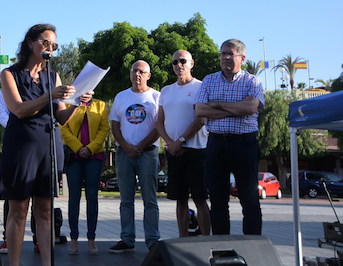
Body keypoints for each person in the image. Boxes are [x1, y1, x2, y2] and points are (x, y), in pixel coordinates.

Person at [0, 24, 90, 266]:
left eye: (54, 45)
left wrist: (77, 103)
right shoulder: (9, 74)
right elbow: (18, 109)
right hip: (21, 146)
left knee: (45, 210)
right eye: (45, 42)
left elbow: (62, 117)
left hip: (49, 145)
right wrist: (51, 96)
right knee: (18, 210)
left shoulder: (53, 76)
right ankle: (14, 264)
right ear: (30, 42)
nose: (50, 48)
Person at [195, 39, 264, 235]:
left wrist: (216, 104)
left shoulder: (252, 81)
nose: (225, 57)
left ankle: (252, 244)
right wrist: (237, 108)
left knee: (249, 199)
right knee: (218, 200)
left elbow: (250, 108)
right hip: (216, 142)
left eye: (230, 54)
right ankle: (221, 244)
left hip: (244, 144)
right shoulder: (209, 80)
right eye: (223, 53)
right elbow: (200, 110)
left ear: (242, 58)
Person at [156, 50, 210, 237]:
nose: (178, 65)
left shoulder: (201, 87)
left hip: (196, 151)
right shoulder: (166, 91)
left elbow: (201, 119)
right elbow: (159, 122)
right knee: (180, 199)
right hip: (174, 152)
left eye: (182, 61)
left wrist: (181, 141)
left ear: (191, 63)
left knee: (200, 199)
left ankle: (205, 239)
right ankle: (183, 238)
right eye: (175, 62)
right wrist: (169, 143)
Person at [109, 60, 160, 252]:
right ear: (130, 74)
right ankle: (127, 239)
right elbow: (115, 125)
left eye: (141, 71)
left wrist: (141, 145)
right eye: (134, 71)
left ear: (148, 75)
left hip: (148, 153)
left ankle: (153, 240)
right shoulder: (121, 96)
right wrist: (125, 146)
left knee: (150, 199)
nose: (137, 74)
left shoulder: (156, 96)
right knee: (126, 200)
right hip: (124, 154)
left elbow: (160, 126)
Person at [60, 96, 109, 256]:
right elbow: (63, 127)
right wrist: (79, 147)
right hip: (73, 156)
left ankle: (91, 238)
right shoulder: (68, 105)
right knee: (74, 196)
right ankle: (73, 238)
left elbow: (104, 129)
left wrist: (90, 148)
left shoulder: (100, 105)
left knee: (92, 196)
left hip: (94, 156)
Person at [0, 89, 10, 254]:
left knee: (39, 196)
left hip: (37, 139)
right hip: (14, 139)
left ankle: (39, 240)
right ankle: (8, 239)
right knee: (11, 195)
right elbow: (0, 114)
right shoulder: (7, 85)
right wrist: (18, 126)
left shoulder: (43, 82)